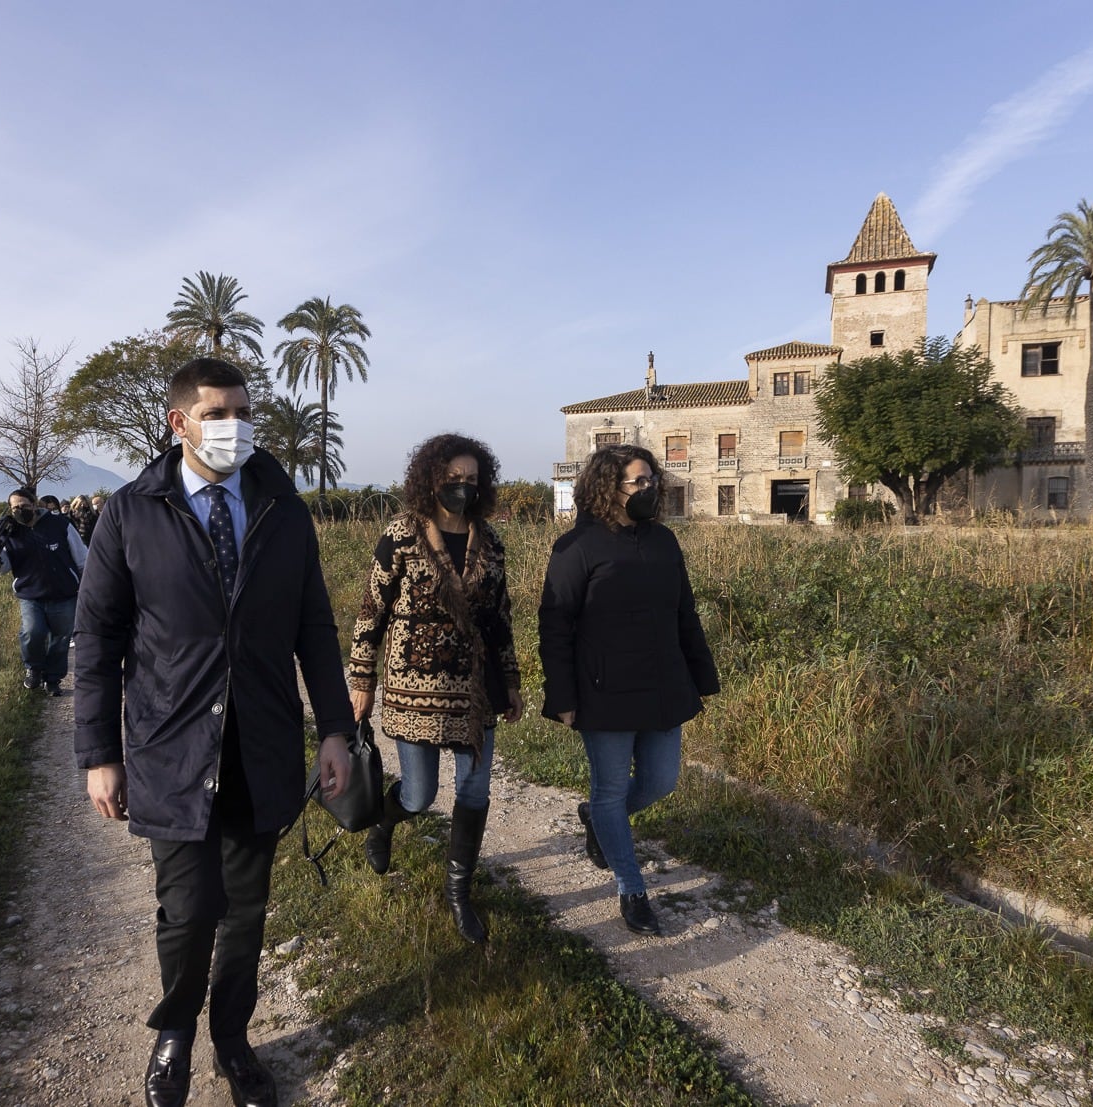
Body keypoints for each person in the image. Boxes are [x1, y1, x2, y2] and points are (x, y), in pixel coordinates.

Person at [74, 356, 356, 1107]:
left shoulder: (280, 507)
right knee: (187, 908)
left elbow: (314, 627)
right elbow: (96, 640)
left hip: (259, 743)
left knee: (246, 908)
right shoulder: (132, 512)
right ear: (179, 423)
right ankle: (175, 1032)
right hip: (170, 744)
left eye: (242, 411)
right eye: (218, 413)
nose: (236, 426)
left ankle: (233, 1037)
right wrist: (99, 753)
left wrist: (335, 728)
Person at [537, 443, 720, 936]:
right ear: (608, 490)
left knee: (661, 781)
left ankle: (597, 817)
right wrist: (564, 697)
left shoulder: (663, 541)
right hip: (605, 690)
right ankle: (631, 887)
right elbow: (555, 626)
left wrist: (701, 676)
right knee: (612, 788)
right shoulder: (576, 548)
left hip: (664, 684)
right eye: (638, 482)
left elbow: (685, 612)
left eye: (651, 481)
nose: (649, 489)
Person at [346, 434, 523, 944]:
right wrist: (361, 679)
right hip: (411, 686)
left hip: (475, 690)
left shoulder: (490, 542)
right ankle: (384, 820)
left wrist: (511, 680)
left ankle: (459, 894)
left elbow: (500, 617)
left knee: (474, 790)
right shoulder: (400, 534)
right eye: (452, 479)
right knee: (421, 795)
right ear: (430, 480)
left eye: (471, 480)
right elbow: (370, 612)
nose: (462, 488)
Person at [0, 486, 86, 696]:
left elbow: (82, 557)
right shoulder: (9, 532)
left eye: (24, 506)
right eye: (15, 508)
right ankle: (34, 669)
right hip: (30, 594)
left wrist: (87, 586)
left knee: (61, 638)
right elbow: (3, 568)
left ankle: (53, 679)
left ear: (35, 504)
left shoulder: (60, 524)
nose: (20, 511)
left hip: (64, 593)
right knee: (32, 632)